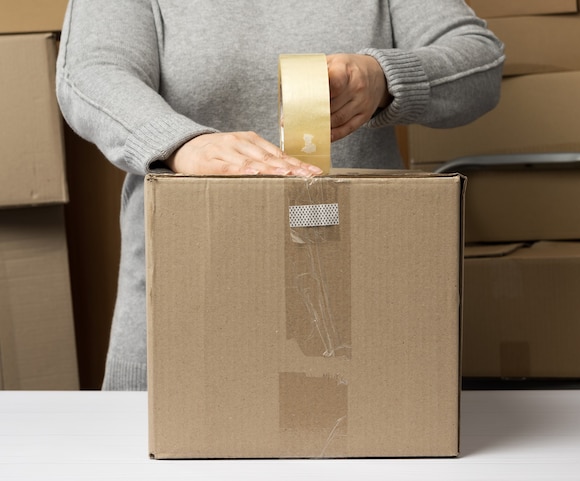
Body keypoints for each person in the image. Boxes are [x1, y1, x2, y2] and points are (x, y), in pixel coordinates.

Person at [56, 0, 505, 391]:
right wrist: (182, 143)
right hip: (187, 294)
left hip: (355, 297)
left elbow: (480, 63)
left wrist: (383, 76)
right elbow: (91, 72)